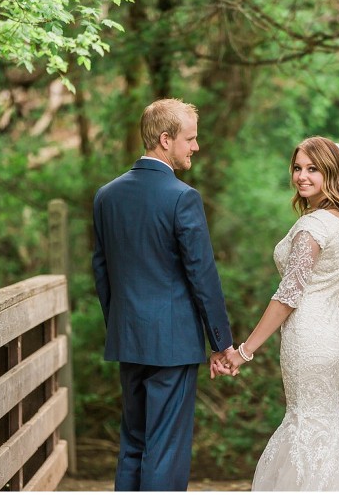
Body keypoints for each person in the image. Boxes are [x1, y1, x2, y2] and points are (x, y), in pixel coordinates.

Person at [221, 136, 339, 491]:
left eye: (313, 169)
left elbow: (287, 296)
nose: (302, 176)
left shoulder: (313, 227)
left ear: (331, 174)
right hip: (337, 339)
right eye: (297, 168)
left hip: (308, 340)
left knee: (306, 427)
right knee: (330, 427)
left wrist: (244, 351)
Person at [92, 98, 234, 491]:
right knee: (165, 449)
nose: (196, 147)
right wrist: (221, 342)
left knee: (133, 443)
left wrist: (121, 324)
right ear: (165, 138)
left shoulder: (107, 196)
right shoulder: (181, 197)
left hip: (129, 339)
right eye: (190, 139)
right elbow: (202, 276)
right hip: (173, 343)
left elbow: (102, 273)